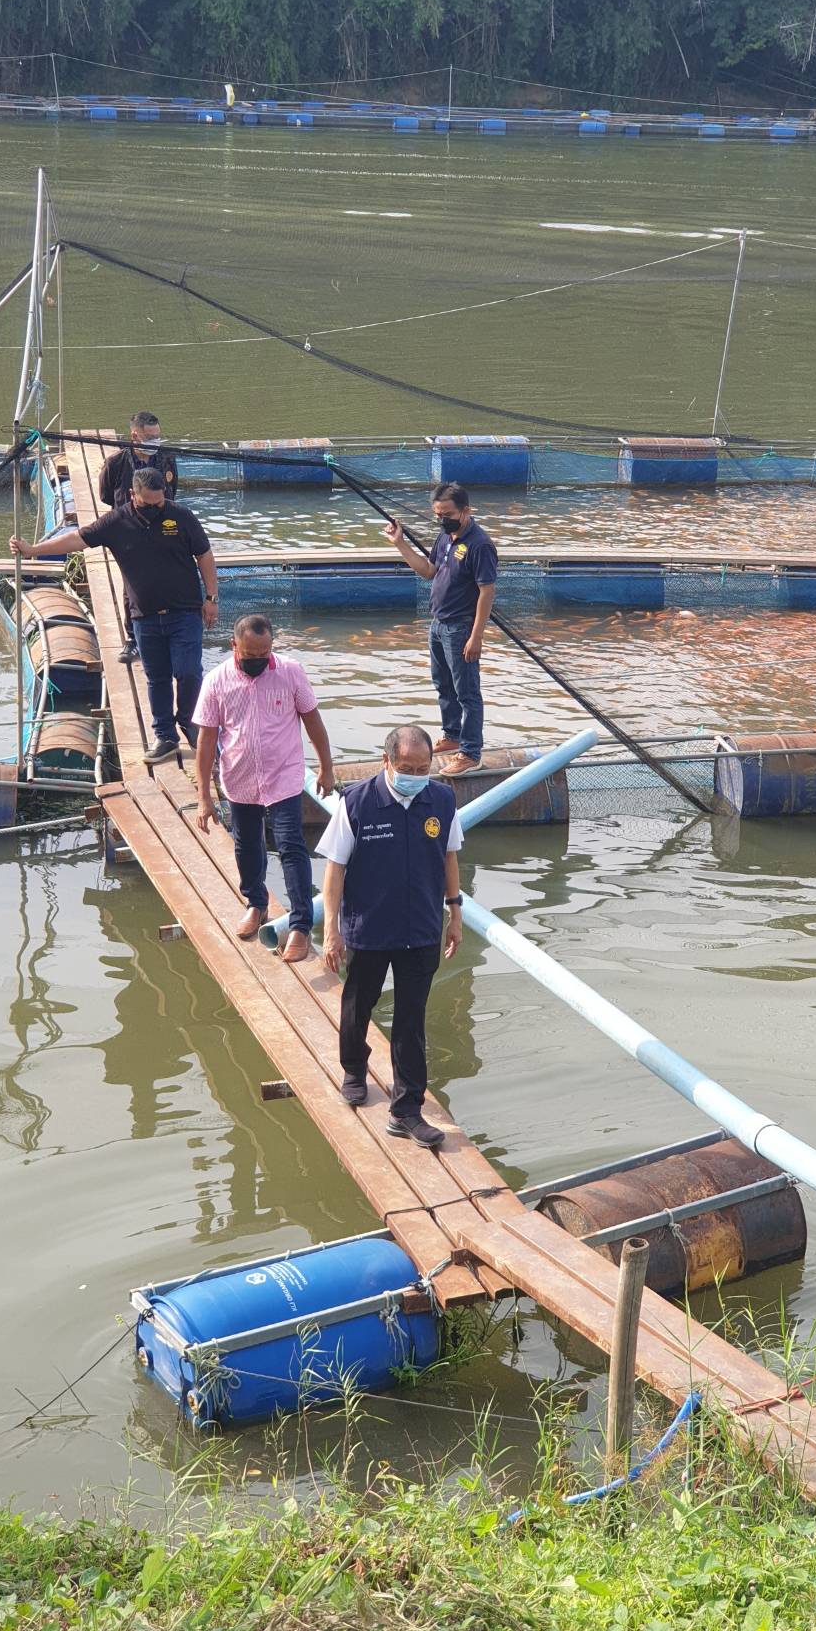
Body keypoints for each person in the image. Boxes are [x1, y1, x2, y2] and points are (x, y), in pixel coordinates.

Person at [10, 467, 218, 766]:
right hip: (144, 616)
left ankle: (188, 720)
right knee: (156, 677)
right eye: (149, 504)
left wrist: (211, 598)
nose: (156, 508)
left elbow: (205, 555)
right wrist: (33, 550)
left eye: (160, 503)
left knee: (188, 671)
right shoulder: (117, 522)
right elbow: (77, 540)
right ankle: (165, 735)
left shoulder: (181, 517)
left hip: (184, 612)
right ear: (133, 495)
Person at [319, 723, 464, 1149]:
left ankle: (406, 1111)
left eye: (423, 767)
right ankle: (353, 1067)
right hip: (369, 927)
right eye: (406, 767)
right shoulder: (357, 803)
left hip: (420, 927)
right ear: (387, 762)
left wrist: (454, 912)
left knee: (411, 1020)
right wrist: (331, 930)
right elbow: (335, 870)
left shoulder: (441, 798)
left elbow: (450, 856)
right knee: (358, 1003)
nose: (415, 775)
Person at [194, 614, 334, 964]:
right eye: (250, 654)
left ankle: (301, 924)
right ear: (234, 647)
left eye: (264, 653)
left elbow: (312, 719)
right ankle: (256, 903)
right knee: (247, 844)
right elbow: (207, 739)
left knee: (290, 845)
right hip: (239, 778)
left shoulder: (289, 672)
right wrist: (203, 796)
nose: (258, 660)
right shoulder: (216, 681)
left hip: (284, 775)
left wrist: (326, 768)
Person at [384, 483, 497, 775]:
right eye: (437, 514)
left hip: (461, 628)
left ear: (465, 511)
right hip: (438, 624)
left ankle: (471, 752)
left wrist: (477, 636)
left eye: (447, 514)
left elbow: (487, 592)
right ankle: (452, 735)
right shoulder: (444, 538)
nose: (442, 519)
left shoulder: (480, 545)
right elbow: (428, 571)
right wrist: (400, 543)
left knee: (467, 692)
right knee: (443, 685)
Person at [99, 412, 180, 665]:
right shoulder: (116, 463)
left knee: (165, 577)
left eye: (157, 436)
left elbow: (172, 492)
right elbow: (106, 495)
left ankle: (164, 631)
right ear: (135, 434)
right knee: (131, 584)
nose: (155, 441)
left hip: (162, 527)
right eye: (149, 436)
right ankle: (133, 638)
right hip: (128, 531)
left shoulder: (166, 459)